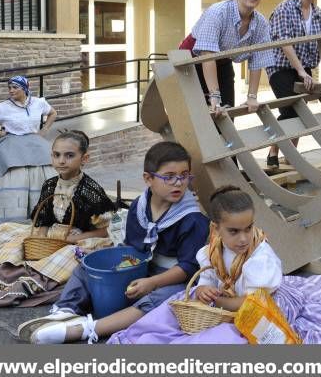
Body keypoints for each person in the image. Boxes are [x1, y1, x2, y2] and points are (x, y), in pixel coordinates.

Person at [108, 186, 321, 344]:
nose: (243, 238)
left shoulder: (259, 257)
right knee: (169, 312)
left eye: (248, 228)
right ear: (216, 229)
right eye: (234, 231)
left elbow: (254, 300)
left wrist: (218, 303)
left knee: (231, 339)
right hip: (226, 300)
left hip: (261, 305)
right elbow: (209, 277)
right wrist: (205, 289)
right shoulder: (212, 249)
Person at [18, 141, 210, 343]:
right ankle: (65, 311)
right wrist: (120, 269)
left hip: (171, 278)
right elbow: (131, 248)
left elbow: (187, 268)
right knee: (87, 266)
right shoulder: (139, 206)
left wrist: (152, 283)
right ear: (148, 179)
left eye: (184, 175)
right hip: (141, 267)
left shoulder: (193, 219)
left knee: (168, 299)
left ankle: (89, 329)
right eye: (169, 177)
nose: (179, 183)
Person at [0, 131, 115, 307]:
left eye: (69, 155)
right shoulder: (50, 185)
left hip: (82, 237)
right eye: (57, 155)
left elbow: (106, 230)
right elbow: (42, 218)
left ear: (84, 158)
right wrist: (40, 237)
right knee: (6, 231)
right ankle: (5, 268)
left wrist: (72, 239)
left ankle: (29, 278)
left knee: (68, 256)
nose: (61, 161)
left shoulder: (91, 192)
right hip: (54, 234)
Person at [265, 0, 321, 168]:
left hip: (305, 69)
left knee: (298, 111)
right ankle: (281, 153)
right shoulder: (285, 8)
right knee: (293, 109)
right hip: (280, 67)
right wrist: (301, 72)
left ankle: (280, 152)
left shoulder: (318, 13)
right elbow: (285, 42)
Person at [183, 0, 272, 114]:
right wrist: (215, 96)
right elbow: (207, 55)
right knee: (201, 114)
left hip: (221, 60)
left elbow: (257, 59)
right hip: (192, 61)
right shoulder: (217, 12)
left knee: (227, 112)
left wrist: (252, 96)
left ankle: (225, 137)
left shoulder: (261, 22)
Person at [0, 76, 57, 225]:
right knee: (0, 170)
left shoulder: (38, 103)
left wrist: (44, 129)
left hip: (35, 142)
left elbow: (53, 113)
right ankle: (11, 216)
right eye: (9, 87)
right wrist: (1, 134)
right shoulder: (3, 107)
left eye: (15, 87)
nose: (11, 90)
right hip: (12, 142)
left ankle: (42, 212)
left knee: (51, 165)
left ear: (25, 88)